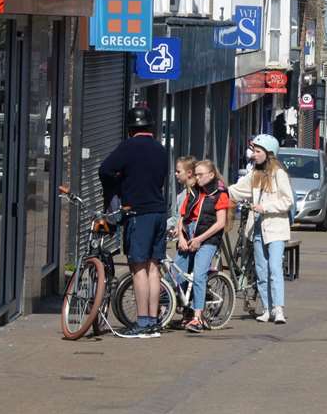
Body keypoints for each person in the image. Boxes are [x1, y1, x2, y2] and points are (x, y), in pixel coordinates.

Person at [98, 107, 170, 338]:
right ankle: (153, 321)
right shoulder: (161, 149)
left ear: (130, 129)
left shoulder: (128, 147)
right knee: (153, 268)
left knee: (138, 268)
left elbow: (105, 170)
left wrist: (118, 185)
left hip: (139, 214)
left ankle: (142, 321)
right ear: (150, 127)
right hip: (160, 212)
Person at [231, 134, 293, 323]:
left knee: (274, 268)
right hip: (257, 229)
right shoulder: (254, 175)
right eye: (254, 151)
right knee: (261, 270)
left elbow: (288, 201)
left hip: (275, 228)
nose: (253, 155)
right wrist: (217, 188)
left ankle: (278, 309)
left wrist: (266, 207)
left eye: (257, 152)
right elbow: (237, 190)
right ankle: (266, 308)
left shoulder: (279, 174)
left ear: (269, 153)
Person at [179, 160, 231, 332]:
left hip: (208, 239)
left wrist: (200, 239)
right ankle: (186, 311)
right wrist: (180, 236)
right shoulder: (193, 192)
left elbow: (220, 223)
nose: (197, 178)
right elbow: (183, 217)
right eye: (196, 174)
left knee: (199, 275)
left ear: (211, 175)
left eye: (200, 175)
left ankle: (198, 318)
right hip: (189, 236)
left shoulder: (219, 194)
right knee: (177, 273)